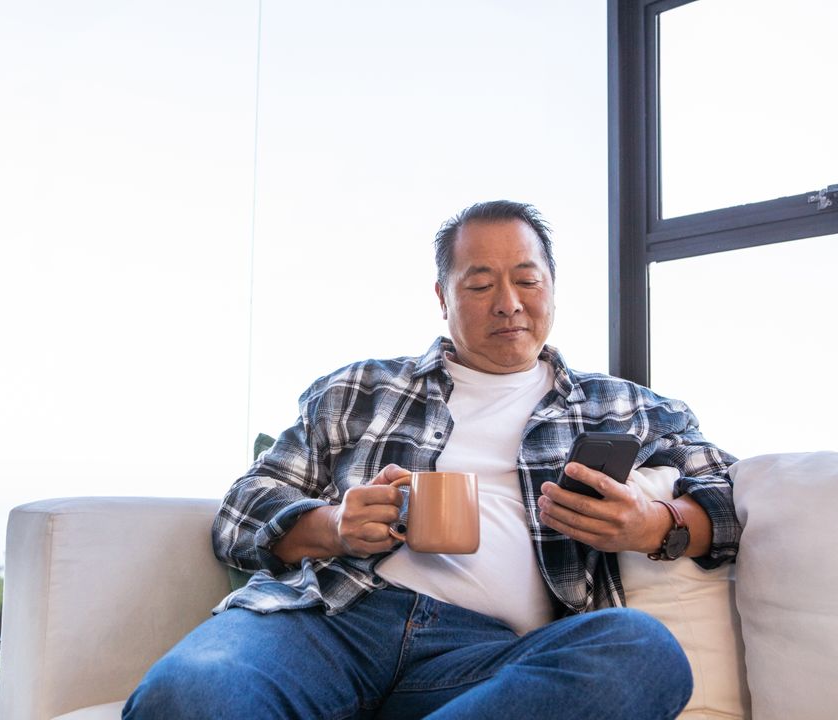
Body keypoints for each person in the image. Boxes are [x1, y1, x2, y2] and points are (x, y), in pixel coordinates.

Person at [122, 200, 739, 719]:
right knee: (191, 690)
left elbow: (726, 498)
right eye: (479, 284)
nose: (508, 303)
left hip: (488, 660)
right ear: (442, 297)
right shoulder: (360, 388)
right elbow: (239, 514)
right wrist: (332, 526)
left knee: (641, 651)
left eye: (527, 280)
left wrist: (654, 525)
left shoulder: (627, 407)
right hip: (329, 621)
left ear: (551, 289)